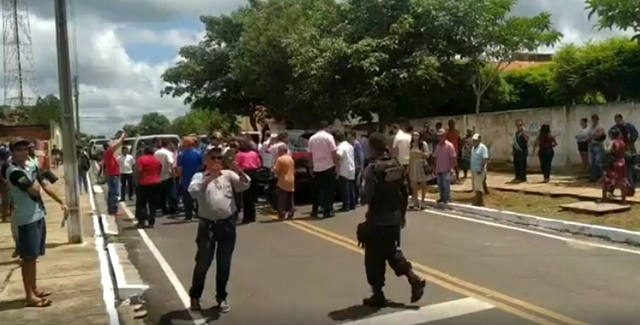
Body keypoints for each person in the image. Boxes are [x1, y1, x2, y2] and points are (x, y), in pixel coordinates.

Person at [358, 132, 426, 307]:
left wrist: (360, 184)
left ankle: (378, 293)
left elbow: (366, 197)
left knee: (373, 258)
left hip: (377, 220)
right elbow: (404, 192)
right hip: (394, 219)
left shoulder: (372, 169)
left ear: (372, 148)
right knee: (391, 252)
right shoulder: (396, 165)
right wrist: (402, 216)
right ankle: (412, 278)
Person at [188, 147, 251, 313]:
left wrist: (241, 172)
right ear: (205, 161)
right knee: (203, 263)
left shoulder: (228, 175)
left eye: (219, 158)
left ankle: (221, 297)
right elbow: (193, 192)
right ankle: (195, 296)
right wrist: (208, 179)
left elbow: (244, 186)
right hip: (207, 225)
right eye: (213, 158)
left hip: (227, 224)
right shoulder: (199, 177)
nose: (217, 161)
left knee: (224, 263)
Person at [6, 138, 67, 308]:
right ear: (12, 152)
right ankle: (29, 296)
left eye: (25, 149)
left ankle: (34, 289)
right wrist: (35, 178)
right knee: (28, 258)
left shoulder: (28, 166)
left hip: (38, 215)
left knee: (34, 257)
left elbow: (43, 183)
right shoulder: (14, 172)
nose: (23, 152)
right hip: (26, 219)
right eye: (19, 150)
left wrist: (59, 201)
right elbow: (35, 189)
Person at [308, 121, 338, 218]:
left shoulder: (312, 139)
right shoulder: (329, 137)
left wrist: (311, 166)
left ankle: (314, 210)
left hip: (317, 167)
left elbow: (310, 154)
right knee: (328, 190)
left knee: (317, 190)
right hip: (328, 166)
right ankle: (327, 210)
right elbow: (333, 152)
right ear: (326, 127)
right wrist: (337, 165)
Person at [235, 139, 262, 223]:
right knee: (253, 196)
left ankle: (247, 217)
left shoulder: (239, 155)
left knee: (246, 196)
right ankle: (253, 216)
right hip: (254, 173)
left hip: (245, 173)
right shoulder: (254, 154)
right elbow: (259, 164)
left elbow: (236, 165)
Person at [135, 147, 163, 228]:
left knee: (142, 203)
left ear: (144, 152)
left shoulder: (141, 159)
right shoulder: (157, 161)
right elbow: (159, 170)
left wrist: (138, 181)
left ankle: (142, 221)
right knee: (153, 203)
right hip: (156, 182)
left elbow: (139, 170)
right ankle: (151, 221)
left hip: (144, 182)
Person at [177, 137, 203, 221]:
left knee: (187, 198)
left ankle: (188, 215)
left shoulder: (181, 155)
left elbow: (179, 168)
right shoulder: (199, 153)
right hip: (197, 177)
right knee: (199, 196)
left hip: (186, 178)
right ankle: (200, 213)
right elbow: (202, 165)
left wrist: (180, 177)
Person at [602, 129, 628, 204]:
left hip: (614, 162)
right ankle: (623, 200)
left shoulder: (612, 142)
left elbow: (608, 151)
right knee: (622, 181)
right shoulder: (622, 142)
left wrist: (605, 148)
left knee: (606, 179)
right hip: (622, 161)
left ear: (611, 135)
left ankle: (604, 198)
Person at [104, 133, 127, 216]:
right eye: (111, 143)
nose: (112, 143)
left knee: (112, 193)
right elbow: (116, 146)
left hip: (112, 175)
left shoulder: (109, 154)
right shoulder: (108, 152)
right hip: (113, 175)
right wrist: (121, 137)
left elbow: (117, 146)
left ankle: (111, 209)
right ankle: (114, 210)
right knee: (115, 193)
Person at [408, 131, 431, 209]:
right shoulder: (410, 145)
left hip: (421, 164)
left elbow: (427, 154)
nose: (415, 136)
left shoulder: (423, 144)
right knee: (413, 184)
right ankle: (415, 202)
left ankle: (423, 201)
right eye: (413, 135)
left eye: (416, 135)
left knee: (423, 184)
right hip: (413, 164)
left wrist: (419, 153)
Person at [433, 129, 456, 204]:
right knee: (440, 185)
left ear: (444, 136)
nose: (440, 137)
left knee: (446, 185)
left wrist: (452, 168)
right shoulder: (438, 146)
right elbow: (435, 157)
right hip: (439, 168)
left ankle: (447, 198)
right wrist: (435, 168)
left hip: (447, 168)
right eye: (439, 136)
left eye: (441, 136)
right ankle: (442, 197)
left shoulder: (449, 145)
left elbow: (453, 157)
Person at [154, 138, 177, 215]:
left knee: (161, 195)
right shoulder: (168, 153)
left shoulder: (155, 153)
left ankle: (164, 209)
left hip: (158, 176)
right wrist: (173, 174)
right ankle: (171, 207)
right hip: (167, 176)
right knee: (171, 193)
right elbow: (171, 164)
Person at [273, 145, 295, 219]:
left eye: (279, 150)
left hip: (283, 180)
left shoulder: (280, 159)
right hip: (291, 180)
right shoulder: (291, 159)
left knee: (281, 198)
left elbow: (276, 170)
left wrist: (273, 168)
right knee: (290, 198)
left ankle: (282, 213)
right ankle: (291, 212)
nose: (278, 152)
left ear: (283, 151)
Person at [336, 131, 356, 211]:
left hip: (344, 168)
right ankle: (352, 204)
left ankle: (346, 205)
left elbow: (338, 155)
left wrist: (334, 159)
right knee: (351, 187)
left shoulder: (341, 146)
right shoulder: (349, 146)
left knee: (345, 188)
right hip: (351, 167)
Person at [470, 134, 489, 206]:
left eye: (476, 140)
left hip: (479, 170)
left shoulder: (483, 148)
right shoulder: (473, 148)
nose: (474, 141)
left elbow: (485, 159)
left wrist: (480, 169)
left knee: (479, 186)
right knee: (475, 186)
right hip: (474, 169)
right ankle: (477, 200)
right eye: (473, 140)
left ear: (479, 140)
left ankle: (480, 202)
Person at [589, 114, 606, 182]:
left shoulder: (600, 127)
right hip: (592, 145)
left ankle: (602, 176)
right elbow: (590, 135)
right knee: (593, 162)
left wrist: (594, 136)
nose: (594, 120)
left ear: (597, 119)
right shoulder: (592, 127)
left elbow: (601, 135)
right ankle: (594, 176)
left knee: (598, 162)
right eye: (593, 119)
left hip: (598, 145)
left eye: (595, 119)